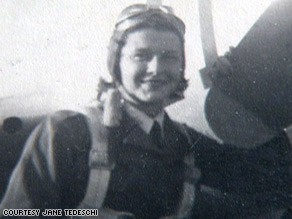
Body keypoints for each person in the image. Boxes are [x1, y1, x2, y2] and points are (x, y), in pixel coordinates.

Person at [1, 3, 292, 219]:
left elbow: (269, 183)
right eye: (141, 56)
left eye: (169, 57)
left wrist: (247, 90)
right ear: (117, 63)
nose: (156, 69)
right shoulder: (68, 131)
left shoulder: (182, 142)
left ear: (180, 67)